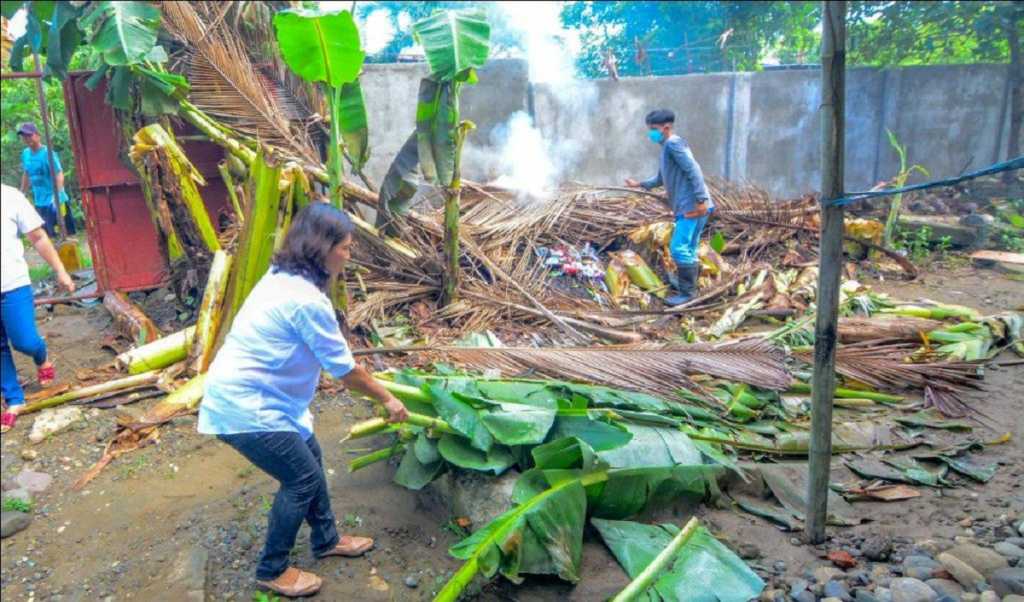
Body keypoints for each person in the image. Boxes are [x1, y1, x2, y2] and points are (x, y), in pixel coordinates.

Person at [198, 202, 410, 598]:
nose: (348, 256)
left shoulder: (282, 276)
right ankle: (271, 568)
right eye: (345, 247)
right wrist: (388, 399)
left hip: (265, 399)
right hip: (246, 406)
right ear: (322, 247)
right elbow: (346, 372)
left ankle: (326, 539)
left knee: (310, 457)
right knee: (301, 477)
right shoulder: (307, 302)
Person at [1, 184, 75, 432]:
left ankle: (40, 355)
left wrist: (61, 271)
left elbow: (39, 237)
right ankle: (14, 400)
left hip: (13, 285)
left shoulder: (10, 196)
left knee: (25, 341)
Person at [625, 109, 714, 306]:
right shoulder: (668, 147)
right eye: (649, 130)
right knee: (689, 247)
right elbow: (659, 178)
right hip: (695, 205)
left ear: (666, 127)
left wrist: (700, 200)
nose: (651, 134)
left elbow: (694, 170)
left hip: (692, 206)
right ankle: (689, 289)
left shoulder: (673, 145)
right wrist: (639, 184)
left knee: (678, 248)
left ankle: (687, 294)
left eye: (654, 129)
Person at [19, 122, 75, 238]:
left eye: (29, 135)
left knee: (64, 233)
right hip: (40, 201)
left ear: (37, 135)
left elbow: (59, 173)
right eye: (24, 136)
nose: (27, 139)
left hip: (54, 200)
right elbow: (27, 173)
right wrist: (22, 193)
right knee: (47, 234)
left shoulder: (48, 153)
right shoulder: (25, 154)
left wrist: (58, 195)